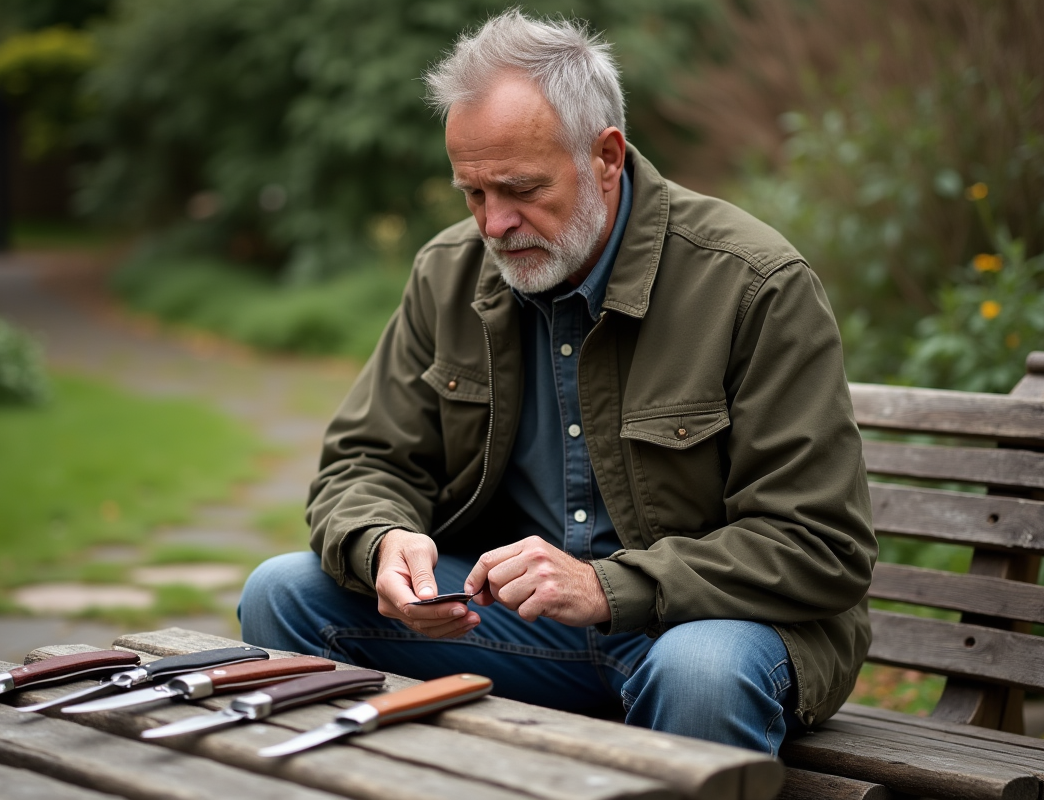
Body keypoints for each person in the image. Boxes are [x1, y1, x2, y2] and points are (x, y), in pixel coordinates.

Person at [239, 9, 876, 756]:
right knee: (282, 592)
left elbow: (818, 544)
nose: (495, 224)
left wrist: (609, 587)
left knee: (699, 673)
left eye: (519, 188)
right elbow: (365, 461)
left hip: (707, 632)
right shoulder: (448, 273)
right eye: (472, 194)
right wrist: (381, 542)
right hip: (514, 631)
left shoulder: (753, 284)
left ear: (606, 155)